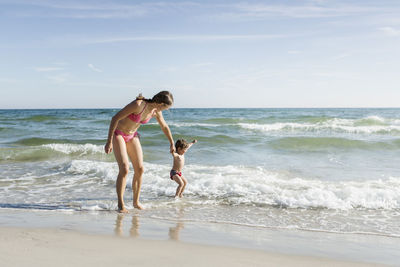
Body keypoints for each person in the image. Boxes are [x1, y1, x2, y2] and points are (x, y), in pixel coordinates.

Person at [105, 91, 175, 212]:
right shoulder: (138, 105)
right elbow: (115, 118)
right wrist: (109, 141)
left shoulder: (155, 111)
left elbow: (164, 126)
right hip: (119, 134)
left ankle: (136, 202)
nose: (164, 110)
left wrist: (172, 142)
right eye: (165, 108)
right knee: (124, 168)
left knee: (140, 169)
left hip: (132, 136)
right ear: (161, 103)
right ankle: (121, 204)